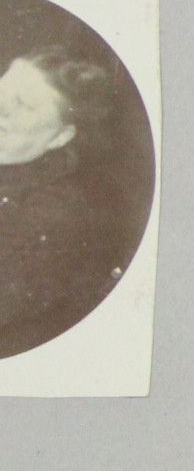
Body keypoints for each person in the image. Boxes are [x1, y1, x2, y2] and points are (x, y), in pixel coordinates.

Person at [0, 43, 144, 358]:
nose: (2, 107)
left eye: (22, 103)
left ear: (60, 136)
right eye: (2, 89)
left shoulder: (56, 216)